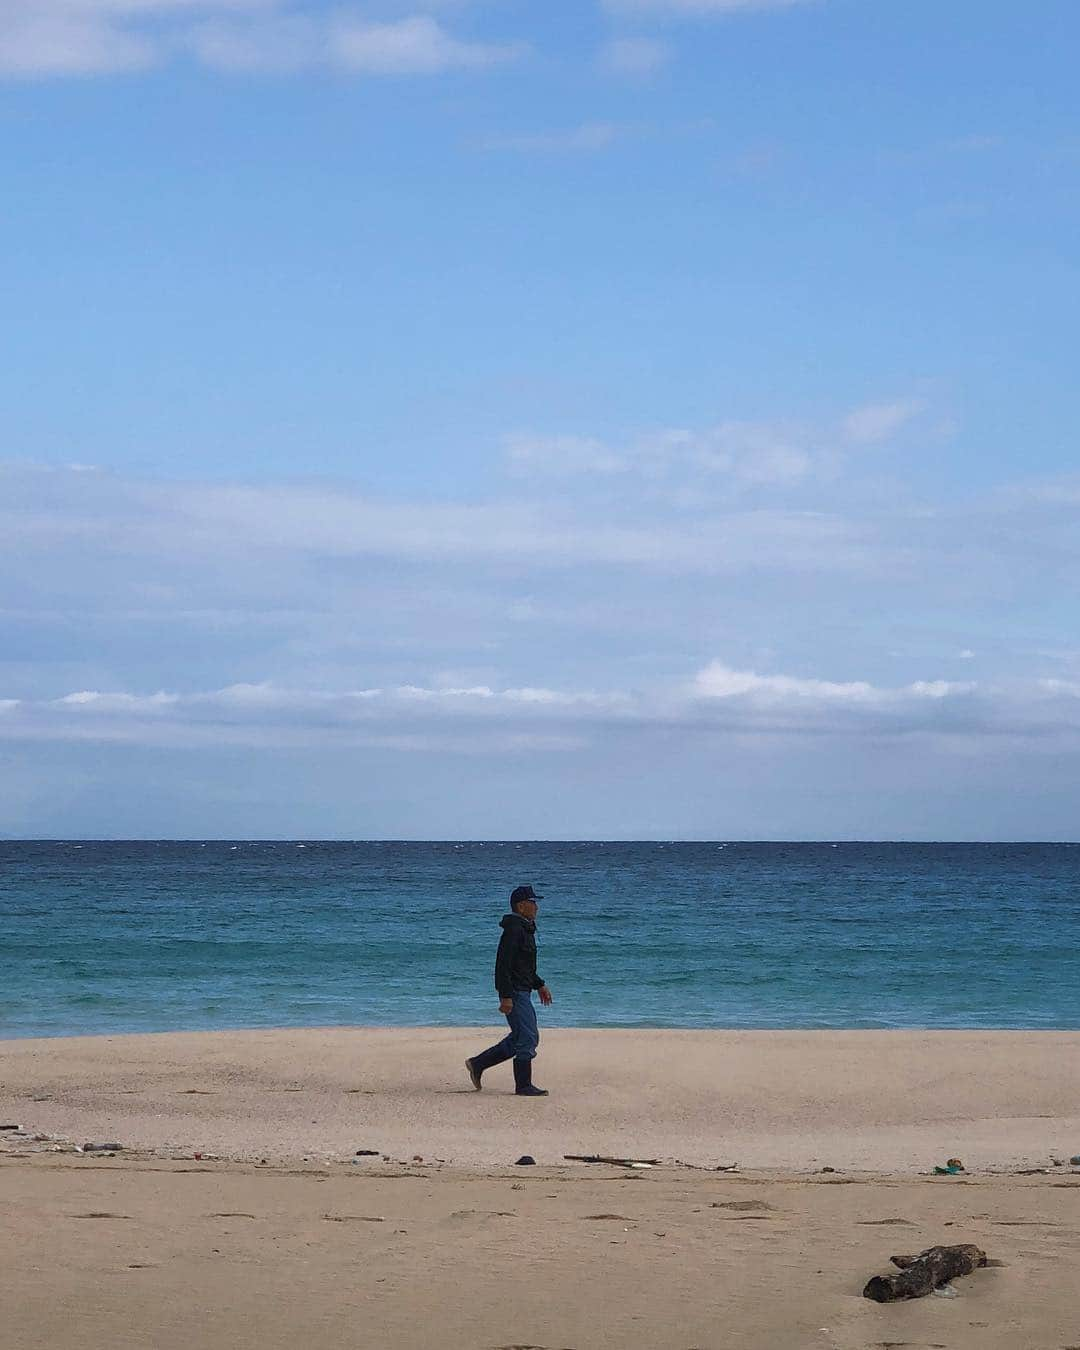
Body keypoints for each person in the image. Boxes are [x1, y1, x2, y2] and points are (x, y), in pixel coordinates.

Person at [465, 884, 553, 1097]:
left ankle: (478, 1064)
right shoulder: (514, 930)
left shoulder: (525, 928)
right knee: (528, 1037)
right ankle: (523, 1085)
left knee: (520, 1037)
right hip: (514, 992)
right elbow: (503, 965)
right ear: (521, 906)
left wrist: (539, 984)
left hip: (523, 989)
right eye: (533, 903)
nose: (536, 907)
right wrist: (505, 996)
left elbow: (524, 966)